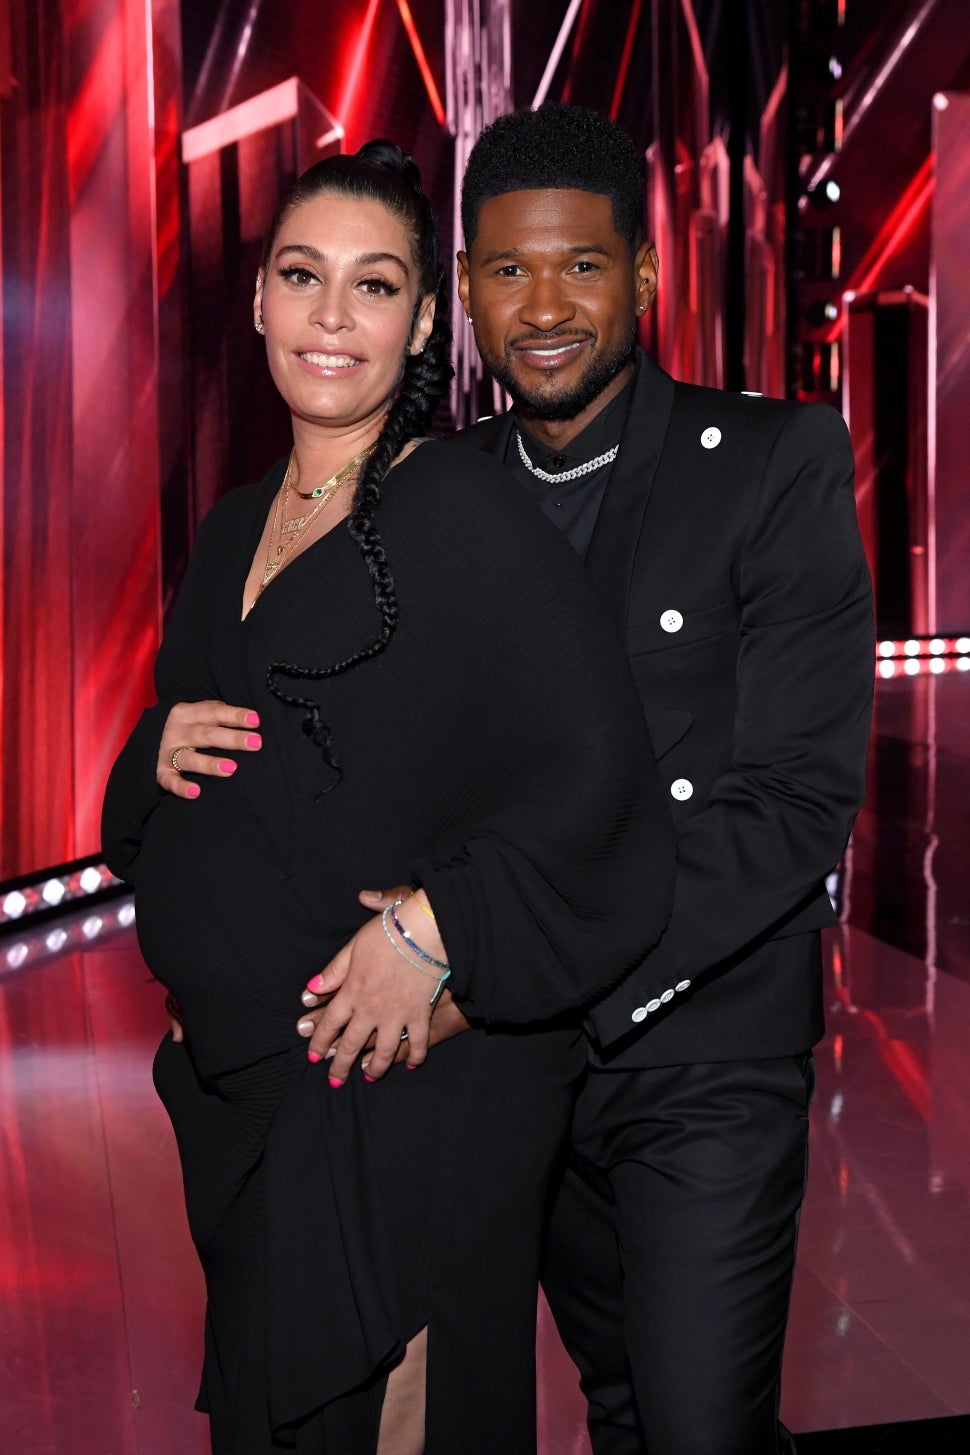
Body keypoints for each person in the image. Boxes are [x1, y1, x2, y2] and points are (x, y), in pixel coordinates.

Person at [100, 141, 674, 1455]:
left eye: (374, 286)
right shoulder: (233, 529)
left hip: (395, 1112)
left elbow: (601, 786)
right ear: (259, 297)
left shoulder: (462, 510)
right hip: (245, 1112)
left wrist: (437, 929)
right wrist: (150, 749)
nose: (332, 318)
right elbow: (177, 803)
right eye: (304, 276)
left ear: (421, 322)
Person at [427, 103, 873, 1455]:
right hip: (504, 1061)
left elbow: (794, 800)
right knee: (616, 1401)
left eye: (580, 265)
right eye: (509, 271)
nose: (543, 308)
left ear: (645, 273)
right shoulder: (434, 492)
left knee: (697, 1426)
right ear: (466, 290)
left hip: (703, 1039)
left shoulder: (773, 464)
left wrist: (520, 961)